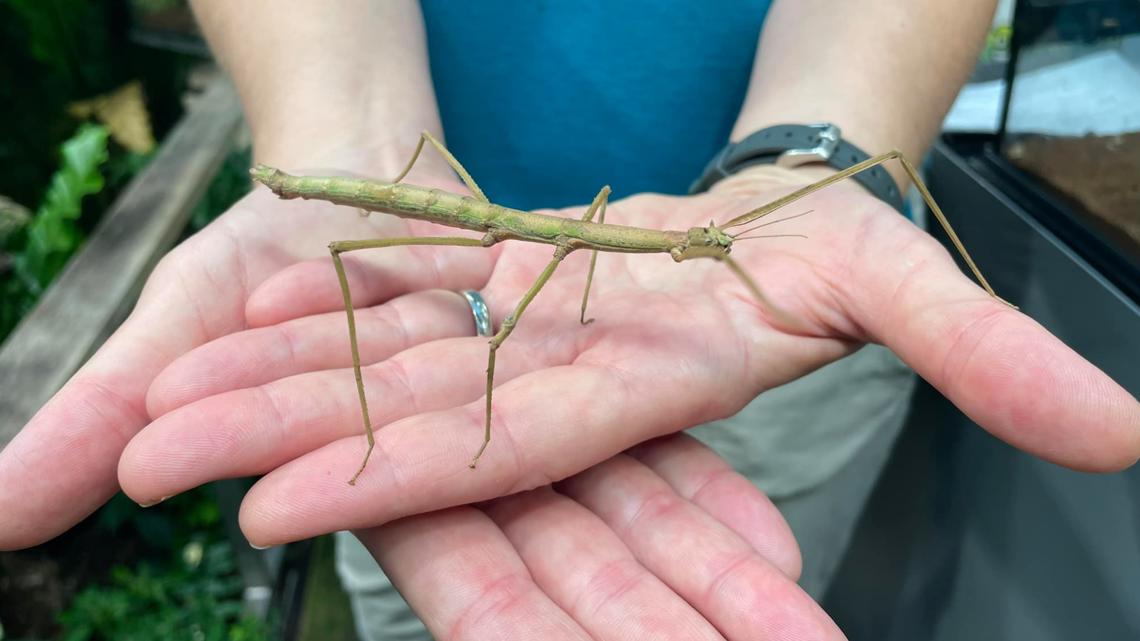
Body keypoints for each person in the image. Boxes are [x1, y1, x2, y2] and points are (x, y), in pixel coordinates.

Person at [1, 1, 1137, 639]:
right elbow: (547, 263)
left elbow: (858, 165)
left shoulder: (724, 276)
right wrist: (340, 129)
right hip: (402, 236)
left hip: (773, 329)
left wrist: (814, 163)